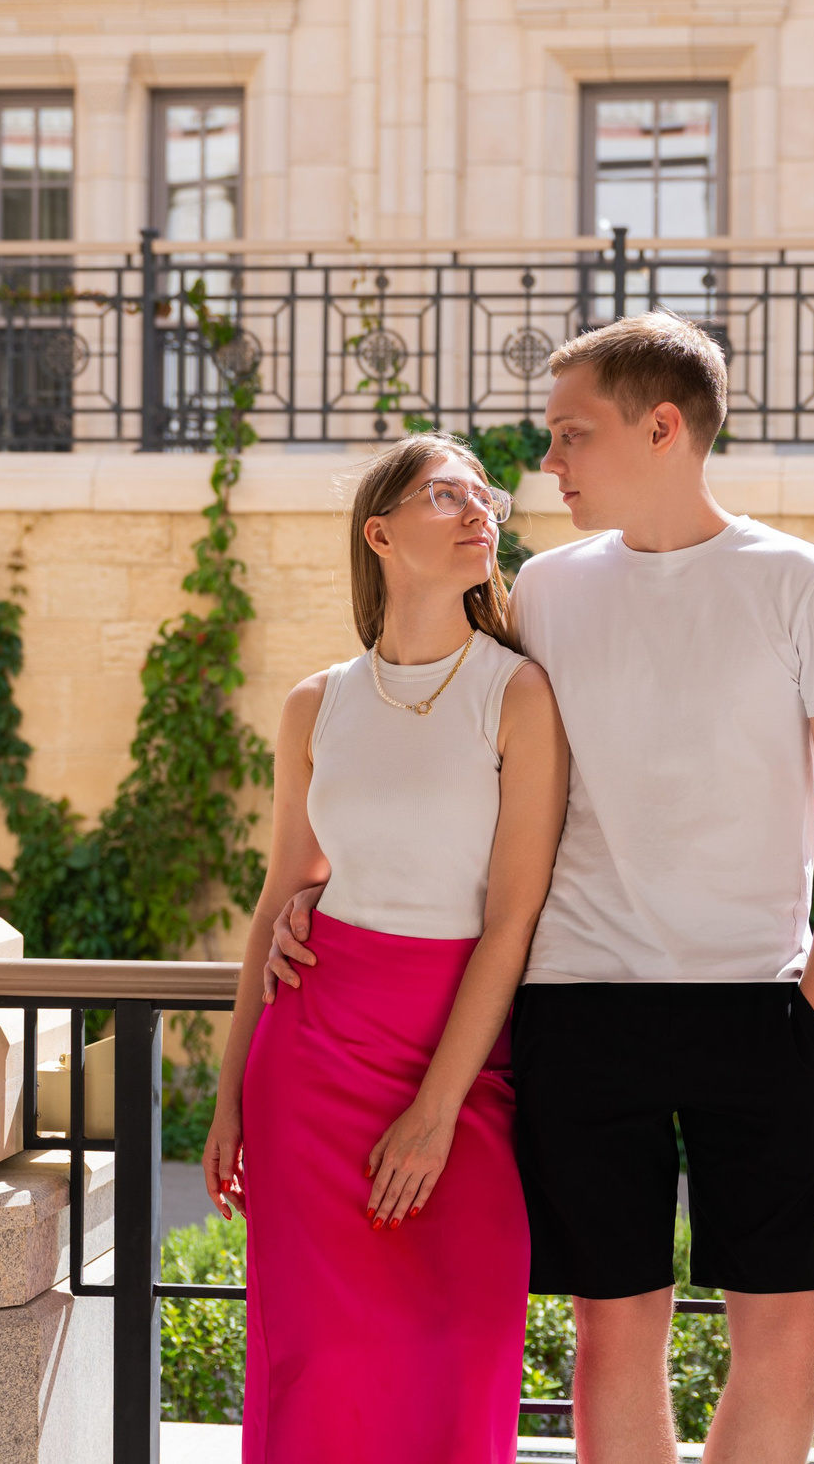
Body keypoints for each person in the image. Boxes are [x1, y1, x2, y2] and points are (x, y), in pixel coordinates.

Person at [270, 314, 814, 1464]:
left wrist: (810, 1015)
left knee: (779, 1325)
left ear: (660, 429)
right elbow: (438, 735)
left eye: (571, 434)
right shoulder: (546, 591)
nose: (546, 461)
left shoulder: (803, 584)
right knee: (613, 1329)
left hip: (756, 1007)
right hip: (575, 1009)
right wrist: (327, 883)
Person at [202, 432, 570, 1464]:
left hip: (459, 1062)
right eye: (446, 495)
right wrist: (228, 1096)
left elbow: (512, 919)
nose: (479, 511)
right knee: (318, 1366)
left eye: (485, 497)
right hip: (309, 1064)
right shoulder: (316, 704)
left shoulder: (518, 693)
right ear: (380, 534)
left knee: (462, 1353)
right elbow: (282, 894)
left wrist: (435, 1111)